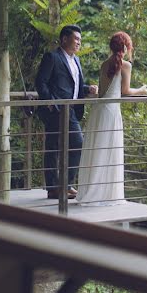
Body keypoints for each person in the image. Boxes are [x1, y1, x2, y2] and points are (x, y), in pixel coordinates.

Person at [76, 31, 147, 206]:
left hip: (99, 111)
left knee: (97, 150)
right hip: (111, 112)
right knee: (109, 150)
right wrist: (142, 90)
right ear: (125, 47)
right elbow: (125, 91)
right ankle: (107, 194)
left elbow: (102, 92)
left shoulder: (104, 64)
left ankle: (93, 191)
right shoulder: (125, 66)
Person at [35, 25, 98, 200]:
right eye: (76, 39)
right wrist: (51, 103)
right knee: (56, 147)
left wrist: (87, 89)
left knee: (72, 145)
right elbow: (41, 82)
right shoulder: (52, 57)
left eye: (80, 39)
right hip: (57, 109)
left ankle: (64, 185)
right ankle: (55, 188)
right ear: (64, 39)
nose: (79, 42)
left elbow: (73, 86)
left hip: (71, 110)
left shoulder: (76, 60)